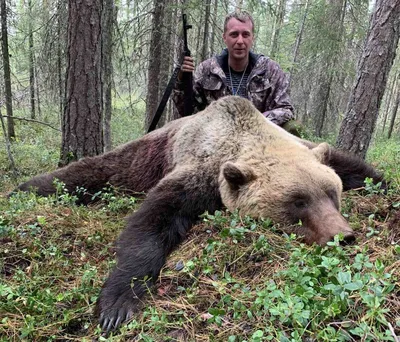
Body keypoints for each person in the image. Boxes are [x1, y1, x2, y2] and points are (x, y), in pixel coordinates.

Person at [173, 11, 295, 127]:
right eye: (234, 34)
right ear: (224, 37)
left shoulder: (269, 70)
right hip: (217, 139)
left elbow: (286, 110)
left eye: (245, 34)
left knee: (294, 128)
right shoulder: (207, 70)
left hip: (258, 138)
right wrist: (181, 79)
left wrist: (254, 122)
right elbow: (187, 112)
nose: (240, 41)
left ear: (253, 38)